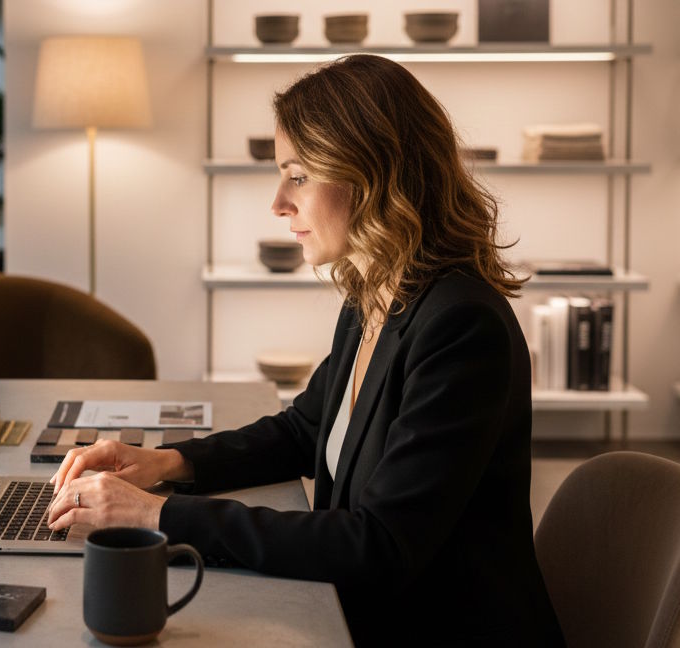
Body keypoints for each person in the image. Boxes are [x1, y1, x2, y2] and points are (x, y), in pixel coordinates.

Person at [47, 54, 565, 646]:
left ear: (371, 174)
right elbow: (303, 429)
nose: (278, 203)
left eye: (298, 176)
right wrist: (167, 463)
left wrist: (153, 514)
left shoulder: (461, 327)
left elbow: (379, 546)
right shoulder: (375, 291)